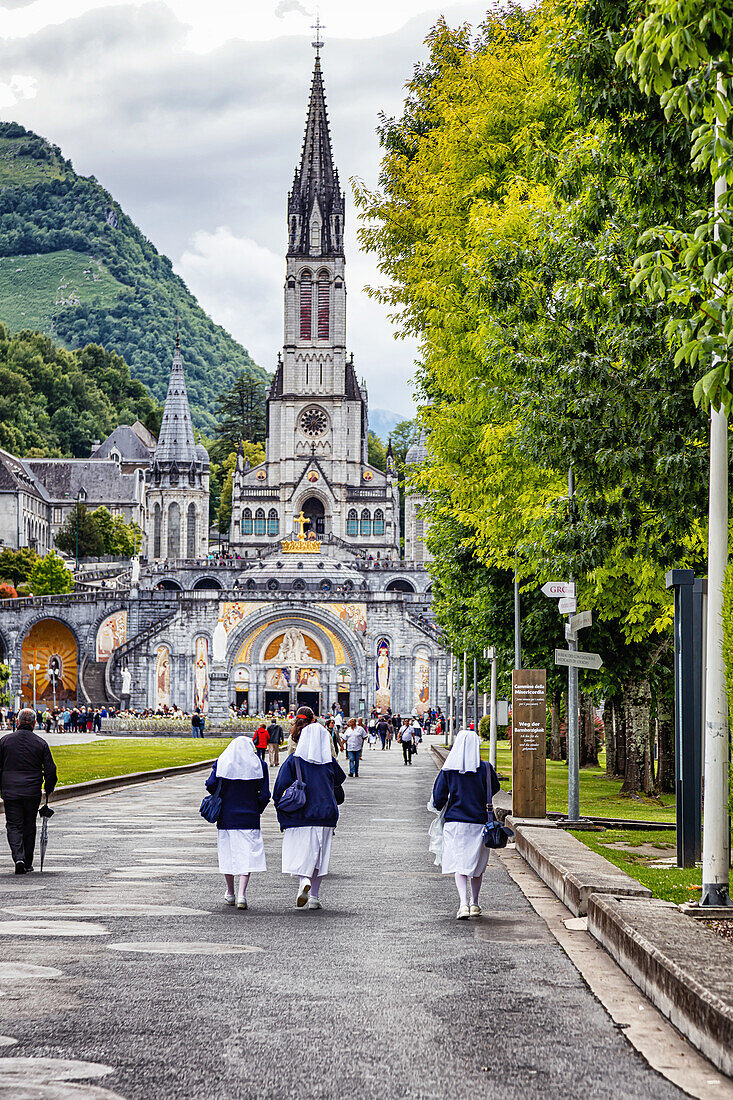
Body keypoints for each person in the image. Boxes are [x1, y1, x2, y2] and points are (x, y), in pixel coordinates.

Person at [272, 707, 345, 910]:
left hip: (300, 814)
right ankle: (314, 896)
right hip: (325, 814)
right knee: (320, 856)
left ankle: (303, 879)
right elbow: (341, 779)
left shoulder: (293, 761)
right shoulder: (329, 763)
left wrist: (282, 809)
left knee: (302, 851)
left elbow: (278, 789)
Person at [431, 729, 501, 920]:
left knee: (460, 864)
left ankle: (463, 904)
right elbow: (495, 788)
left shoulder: (449, 770)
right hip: (480, 822)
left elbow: (438, 799)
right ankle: (475, 903)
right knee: (477, 865)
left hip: (455, 823)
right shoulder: (486, 768)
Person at [204, 734, 270, 910]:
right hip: (249, 816)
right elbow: (265, 795)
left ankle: (230, 892)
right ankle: (242, 894)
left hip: (227, 817)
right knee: (246, 855)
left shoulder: (223, 763)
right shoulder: (260, 765)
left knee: (228, 854)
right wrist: (257, 809)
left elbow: (210, 784)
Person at [0, 708, 57, 874]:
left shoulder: (5, 741)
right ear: (34, 723)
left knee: (13, 825)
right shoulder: (40, 743)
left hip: (10, 790)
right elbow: (50, 769)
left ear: (17, 722)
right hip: (32, 790)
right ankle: (27, 861)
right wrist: (49, 787)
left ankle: (18, 856)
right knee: (29, 825)